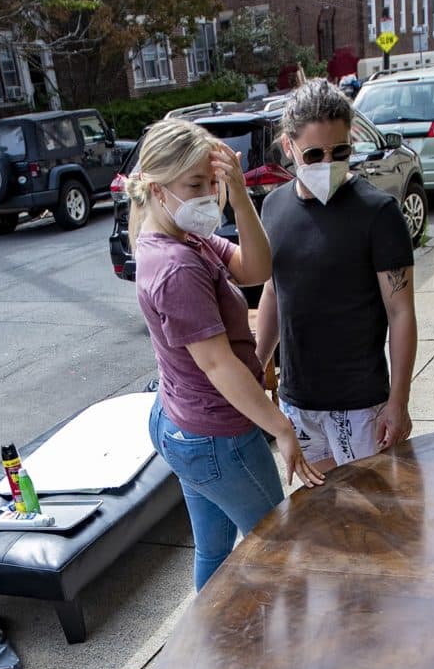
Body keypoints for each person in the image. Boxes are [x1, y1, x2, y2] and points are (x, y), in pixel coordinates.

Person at [127, 119, 326, 590]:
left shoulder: (182, 238)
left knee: (215, 552)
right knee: (280, 547)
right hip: (214, 434)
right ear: (156, 189)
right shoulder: (175, 266)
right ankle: (285, 654)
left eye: (211, 182)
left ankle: (213, 652)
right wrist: (281, 427)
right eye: (195, 184)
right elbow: (217, 365)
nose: (205, 195)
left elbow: (255, 268)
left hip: (182, 422)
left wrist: (239, 196)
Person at [253, 80, 418, 472]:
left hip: (362, 407)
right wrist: (256, 364)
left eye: (340, 151)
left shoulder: (379, 214)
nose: (328, 163)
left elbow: (401, 312)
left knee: (376, 523)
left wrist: (399, 400)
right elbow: (274, 293)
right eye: (314, 154)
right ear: (288, 146)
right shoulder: (273, 208)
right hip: (300, 405)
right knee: (321, 523)